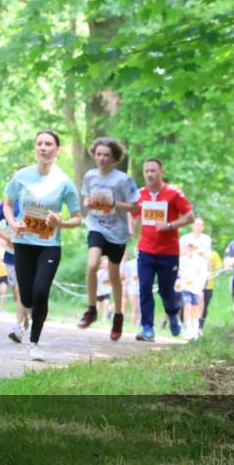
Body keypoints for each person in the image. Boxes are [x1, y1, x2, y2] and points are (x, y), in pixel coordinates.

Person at [3, 130, 82, 361]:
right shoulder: (22, 176)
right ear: (35, 148)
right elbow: (7, 204)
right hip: (23, 242)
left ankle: (35, 343)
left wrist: (61, 222)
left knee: (41, 292)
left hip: (49, 245)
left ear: (57, 150)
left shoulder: (64, 182)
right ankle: (26, 315)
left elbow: (77, 218)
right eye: (40, 144)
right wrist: (12, 223)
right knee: (26, 297)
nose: (44, 148)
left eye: (49, 144)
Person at [77, 137, 140, 340]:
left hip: (117, 231)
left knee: (114, 276)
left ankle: (118, 317)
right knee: (92, 265)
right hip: (96, 225)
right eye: (99, 155)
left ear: (113, 158)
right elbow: (86, 199)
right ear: (94, 156)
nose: (102, 158)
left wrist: (113, 203)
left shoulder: (123, 179)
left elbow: (135, 206)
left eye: (106, 155)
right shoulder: (90, 176)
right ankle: (91, 309)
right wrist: (90, 203)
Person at [132, 158, 195, 342]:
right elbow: (133, 214)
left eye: (153, 171)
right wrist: (130, 229)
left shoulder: (173, 193)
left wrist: (169, 225)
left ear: (161, 172)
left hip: (168, 252)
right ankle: (147, 328)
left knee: (166, 291)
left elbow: (190, 217)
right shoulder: (139, 194)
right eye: (147, 171)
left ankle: (173, 314)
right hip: (146, 250)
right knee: (144, 287)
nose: (150, 174)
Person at [0, 199, 29, 341]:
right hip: (12, 254)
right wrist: (7, 237)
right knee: (16, 292)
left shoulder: (37, 199)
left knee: (21, 289)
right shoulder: (9, 202)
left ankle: (18, 328)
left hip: (30, 253)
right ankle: (25, 317)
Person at [178, 242, 207, 338]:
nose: (191, 250)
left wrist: (201, 285)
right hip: (185, 287)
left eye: (193, 248)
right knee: (187, 305)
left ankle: (195, 326)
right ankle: (188, 326)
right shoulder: (182, 260)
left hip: (196, 288)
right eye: (189, 248)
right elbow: (179, 271)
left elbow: (203, 274)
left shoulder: (201, 261)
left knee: (195, 307)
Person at [199, 247, 222, 336]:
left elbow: (219, 268)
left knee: (204, 305)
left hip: (208, 285)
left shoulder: (213, 254)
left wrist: (212, 265)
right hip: (195, 284)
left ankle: (200, 326)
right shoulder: (195, 252)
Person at [120, 248, 141, 326]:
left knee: (139, 307)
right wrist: (125, 286)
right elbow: (125, 277)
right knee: (135, 306)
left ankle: (138, 322)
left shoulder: (145, 264)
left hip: (141, 287)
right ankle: (133, 324)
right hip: (132, 287)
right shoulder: (130, 264)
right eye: (137, 251)